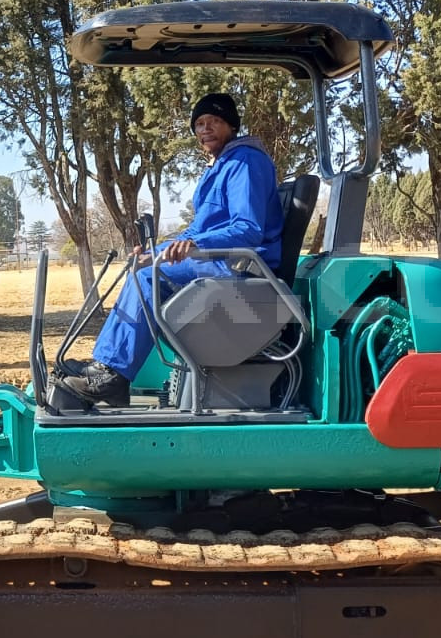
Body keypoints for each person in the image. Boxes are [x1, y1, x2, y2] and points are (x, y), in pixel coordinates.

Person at [62, 91, 283, 407]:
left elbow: (247, 229)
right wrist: (158, 250)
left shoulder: (245, 162)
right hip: (220, 260)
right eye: (200, 123)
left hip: (240, 267)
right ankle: (107, 365)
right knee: (143, 267)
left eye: (215, 122)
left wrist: (193, 245)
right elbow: (198, 229)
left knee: (147, 279)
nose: (205, 129)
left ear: (232, 126)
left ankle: (112, 376)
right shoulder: (221, 166)